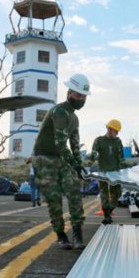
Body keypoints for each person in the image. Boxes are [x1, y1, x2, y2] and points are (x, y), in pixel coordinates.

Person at [33, 73, 91, 250]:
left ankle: (78, 234)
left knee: (74, 189)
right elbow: (60, 142)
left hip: (61, 158)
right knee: (54, 198)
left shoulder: (74, 118)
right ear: (69, 94)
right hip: (45, 158)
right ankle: (61, 234)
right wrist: (73, 163)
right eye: (77, 95)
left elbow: (74, 143)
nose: (80, 99)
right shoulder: (59, 111)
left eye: (83, 96)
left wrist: (79, 164)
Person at [91, 119, 124, 225]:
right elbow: (94, 152)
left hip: (115, 172)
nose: (116, 133)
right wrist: (92, 157)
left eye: (117, 131)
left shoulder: (118, 142)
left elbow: (121, 158)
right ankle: (106, 216)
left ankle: (109, 211)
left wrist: (125, 170)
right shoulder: (99, 140)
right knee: (104, 194)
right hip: (103, 172)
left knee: (117, 193)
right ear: (110, 129)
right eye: (115, 131)